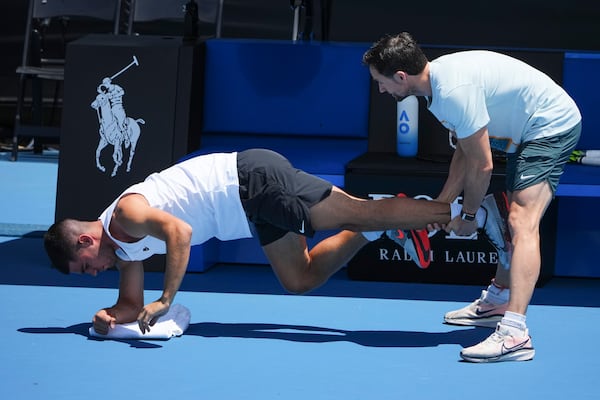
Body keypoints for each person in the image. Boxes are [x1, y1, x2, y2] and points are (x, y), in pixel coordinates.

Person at [44, 148, 506, 336]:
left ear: (86, 240)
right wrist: (107, 318)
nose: (92, 273)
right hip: (249, 210)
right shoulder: (121, 250)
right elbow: (128, 303)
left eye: (85, 266)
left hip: (253, 182)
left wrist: (166, 298)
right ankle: (375, 229)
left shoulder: (127, 214)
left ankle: (471, 210)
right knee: (299, 278)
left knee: (359, 207)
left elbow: (180, 234)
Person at [363, 32, 582, 362]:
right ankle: (498, 301)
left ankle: (516, 334)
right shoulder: (437, 86)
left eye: (381, 82)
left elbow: (482, 167)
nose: (381, 90)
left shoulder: (451, 92)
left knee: (523, 221)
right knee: (509, 218)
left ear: (401, 77)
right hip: (523, 129)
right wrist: (439, 209)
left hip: (548, 126)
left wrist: (466, 217)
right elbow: (464, 155)